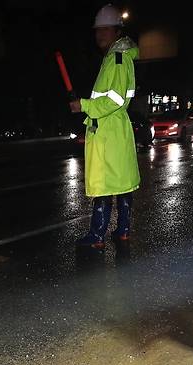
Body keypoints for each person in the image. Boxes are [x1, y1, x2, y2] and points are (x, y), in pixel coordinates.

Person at [70, 4, 140, 249]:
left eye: (105, 29)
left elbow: (116, 99)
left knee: (104, 183)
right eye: (97, 30)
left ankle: (98, 235)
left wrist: (84, 106)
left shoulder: (118, 59)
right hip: (111, 129)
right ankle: (122, 230)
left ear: (117, 31)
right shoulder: (114, 57)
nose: (99, 34)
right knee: (119, 183)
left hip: (110, 130)